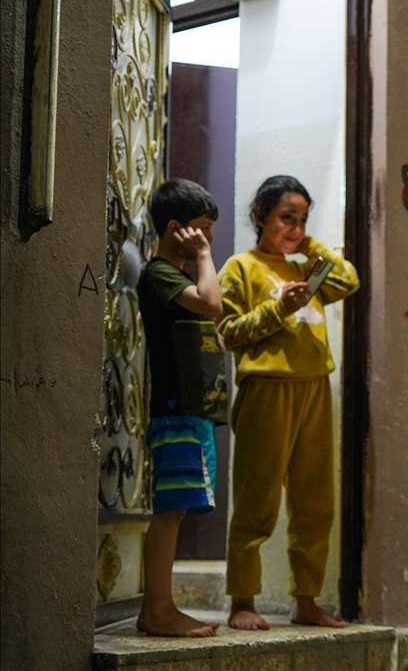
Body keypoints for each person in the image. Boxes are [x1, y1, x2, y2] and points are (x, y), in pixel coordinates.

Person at [217, 175, 359, 630]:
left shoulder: (305, 268)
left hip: (315, 385)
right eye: (285, 218)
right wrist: (280, 308)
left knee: (316, 502)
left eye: (301, 219)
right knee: (256, 498)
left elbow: (349, 280)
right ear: (260, 217)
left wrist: (311, 244)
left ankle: (307, 598)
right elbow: (227, 332)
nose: (294, 228)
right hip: (267, 390)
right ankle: (242, 599)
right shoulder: (240, 266)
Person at [136, 178, 226, 637]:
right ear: (176, 228)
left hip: (189, 407)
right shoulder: (159, 273)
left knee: (179, 507)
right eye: (202, 229)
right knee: (169, 510)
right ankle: (158, 611)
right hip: (173, 408)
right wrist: (207, 259)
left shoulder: (175, 276)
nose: (207, 239)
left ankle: (158, 608)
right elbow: (212, 303)